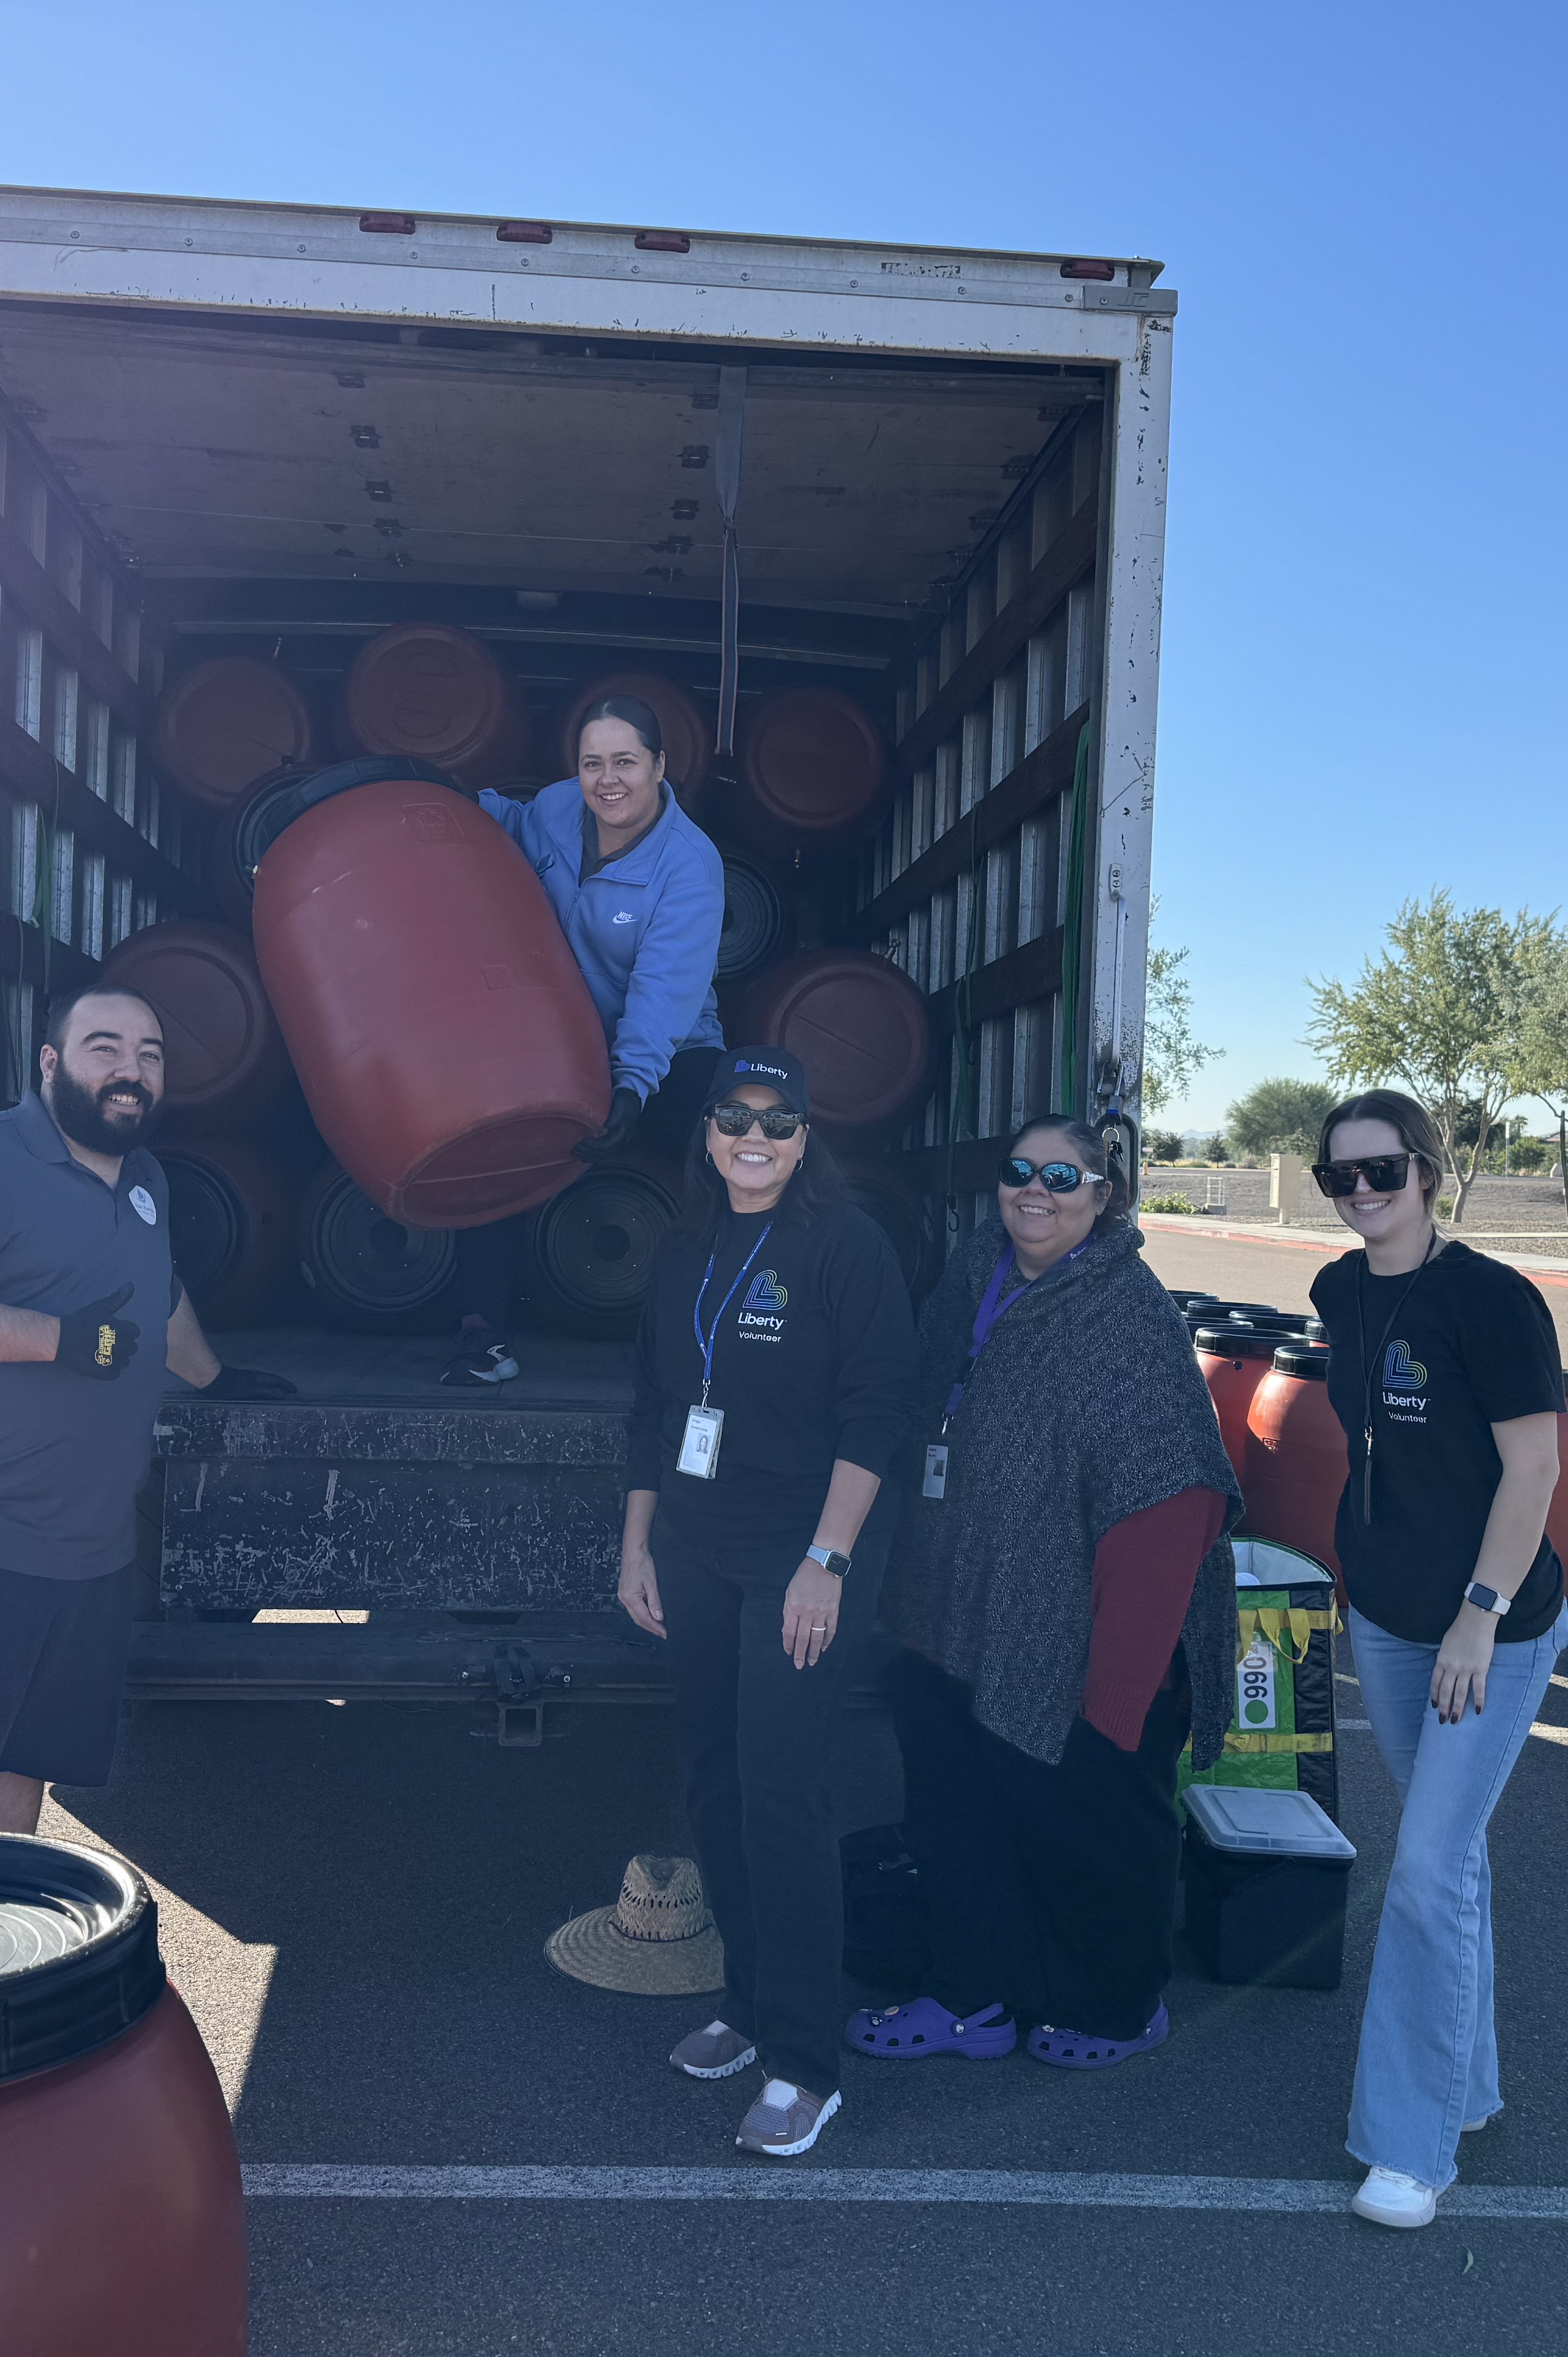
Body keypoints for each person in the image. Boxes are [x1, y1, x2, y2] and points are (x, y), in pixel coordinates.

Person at [854, 1114, 1246, 2079]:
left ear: (1105, 1196)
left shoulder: (1125, 1313)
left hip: (1084, 1632)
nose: (1037, 1190)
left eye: (1063, 1178)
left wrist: (1118, 1688)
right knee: (958, 1812)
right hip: (955, 1611)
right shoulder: (972, 1272)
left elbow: (1174, 1494)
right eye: (1020, 1171)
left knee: (1095, 1827)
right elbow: (916, 1414)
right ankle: (970, 1992)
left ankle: (1114, 2003)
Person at [0, 983, 290, 1831]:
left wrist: (215, 1377)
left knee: (28, 1767)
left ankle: (4, 1944)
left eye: (150, 1055)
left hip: (88, 1552)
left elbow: (156, 1297)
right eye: (105, 1048)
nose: (130, 1071)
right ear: (51, 1063)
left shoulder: (147, 1180)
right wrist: (59, 1339)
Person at [617, 1048, 918, 2158]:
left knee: (783, 1794)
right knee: (712, 1774)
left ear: (805, 1136)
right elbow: (651, 1402)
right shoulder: (687, 1241)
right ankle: (747, 2006)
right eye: (735, 1117)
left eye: (778, 1121)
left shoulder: (843, 1246)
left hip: (801, 1552)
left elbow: (880, 1410)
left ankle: (805, 2062)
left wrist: (827, 1563)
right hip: (693, 1545)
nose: (756, 1136)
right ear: (706, 1133)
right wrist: (637, 1546)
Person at [1303, 1088, 1568, 2232]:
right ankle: (1468, 2088)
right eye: (1341, 1178)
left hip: (1487, 1630)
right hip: (1390, 1620)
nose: (1363, 1194)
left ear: (1427, 1169)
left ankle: (1410, 2149)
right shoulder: (1337, 1294)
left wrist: (1478, 1613)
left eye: (1382, 1172)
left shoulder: (1494, 1301)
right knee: (1443, 1865)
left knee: (1422, 1874)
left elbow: (1535, 1473)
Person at [445, 692, 728, 1385]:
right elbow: (508, 820)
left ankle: (720, 1334)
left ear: (660, 766)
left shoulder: (689, 864)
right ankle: (483, 1336)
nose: (608, 780)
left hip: (669, 1045)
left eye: (626, 762)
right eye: (592, 763)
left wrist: (631, 1083)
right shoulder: (556, 807)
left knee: (724, 1140)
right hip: (559, 1039)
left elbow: (664, 989)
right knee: (495, 1135)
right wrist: (449, 797)